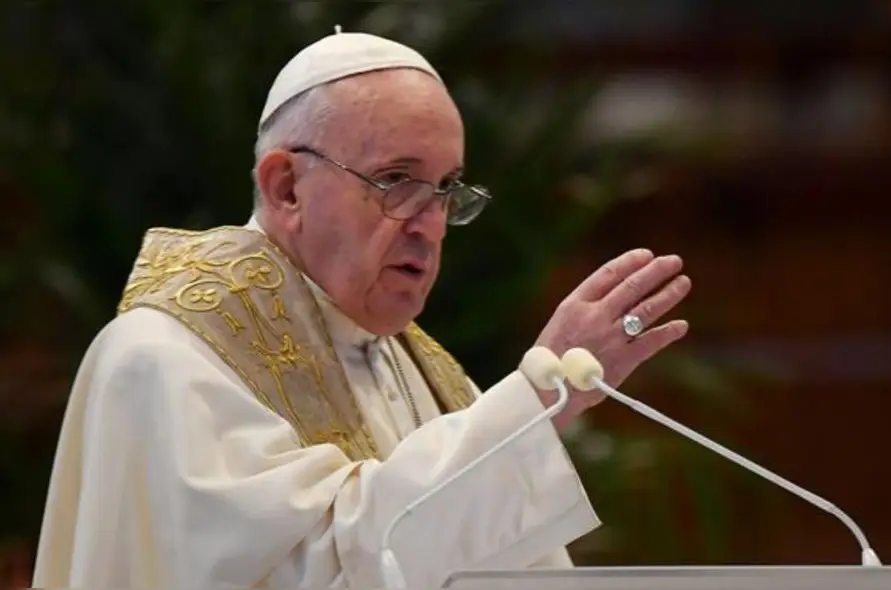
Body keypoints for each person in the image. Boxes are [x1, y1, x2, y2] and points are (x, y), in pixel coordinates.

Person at [31, 29, 692, 589]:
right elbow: (318, 572)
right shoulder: (165, 360)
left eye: (447, 189)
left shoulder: (427, 373)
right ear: (286, 187)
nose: (429, 225)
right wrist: (542, 396)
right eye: (397, 182)